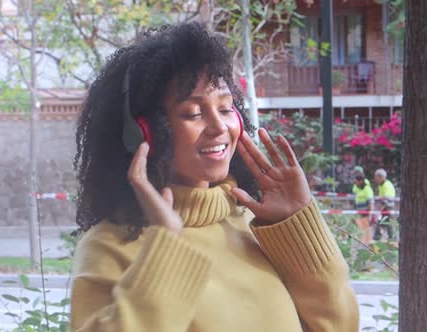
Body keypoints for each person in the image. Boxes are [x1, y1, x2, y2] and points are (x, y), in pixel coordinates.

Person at [70, 22, 359, 332]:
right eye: (194, 113)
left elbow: (340, 327)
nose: (219, 127)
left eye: (225, 108)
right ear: (144, 133)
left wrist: (297, 229)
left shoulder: (252, 224)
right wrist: (166, 244)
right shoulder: (108, 246)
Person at [373, 168, 397, 241]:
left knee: (385, 223)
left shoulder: (387, 185)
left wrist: (379, 211)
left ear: (381, 177)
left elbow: (386, 200)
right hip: (384, 208)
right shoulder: (381, 185)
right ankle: (389, 238)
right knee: (384, 223)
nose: (375, 179)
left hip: (387, 208)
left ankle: (390, 239)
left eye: (376, 177)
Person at [352, 174, 374, 244]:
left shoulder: (368, 190)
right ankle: (362, 242)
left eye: (356, 182)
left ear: (360, 181)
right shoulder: (358, 189)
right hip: (359, 212)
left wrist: (370, 214)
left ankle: (368, 243)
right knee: (360, 228)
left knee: (366, 229)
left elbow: (371, 203)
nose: (355, 184)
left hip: (366, 213)